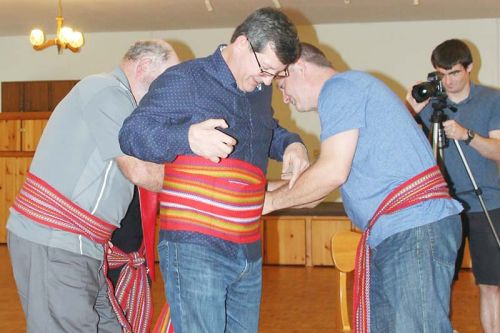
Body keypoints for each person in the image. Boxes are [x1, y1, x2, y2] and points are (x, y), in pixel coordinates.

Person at [119, 7, 309, 333]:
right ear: (242, 43)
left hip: (248, 249)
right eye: (265, 70)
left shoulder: (259, 94)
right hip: (196, 247)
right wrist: (186, 137)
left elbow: (267, 130)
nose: (266, 81)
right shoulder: (187, 80)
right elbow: (131, 134)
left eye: (275, 76)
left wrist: (291, 143)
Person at [264, 42, 463, 333]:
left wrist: (267, 203)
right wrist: (256, 192)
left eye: (282, 85)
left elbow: (330, 173)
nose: (284, 97)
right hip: (400, 233)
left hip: (412, 230)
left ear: (299, 67)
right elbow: (312, 191)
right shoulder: (350, 94)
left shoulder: (339, 88)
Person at [6, 40, 180, 333]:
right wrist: (203, 186)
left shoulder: (119, 103)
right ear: (145, 66)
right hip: (58, 240)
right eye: (169, 79)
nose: (171, 92)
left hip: (79, 245)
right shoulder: (107, 91)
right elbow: (139, 170)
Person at [407, 38, 500, 333]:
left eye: (455, 73)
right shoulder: (432, 103)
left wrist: (466, 135)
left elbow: (498, 149)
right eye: (442, 74)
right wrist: (410, 106)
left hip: (488, 202)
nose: (448, 81)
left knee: (491, 285)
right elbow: (397, 135)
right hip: (443, 206)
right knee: (438, 282)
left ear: (469, 68)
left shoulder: (492, 99)